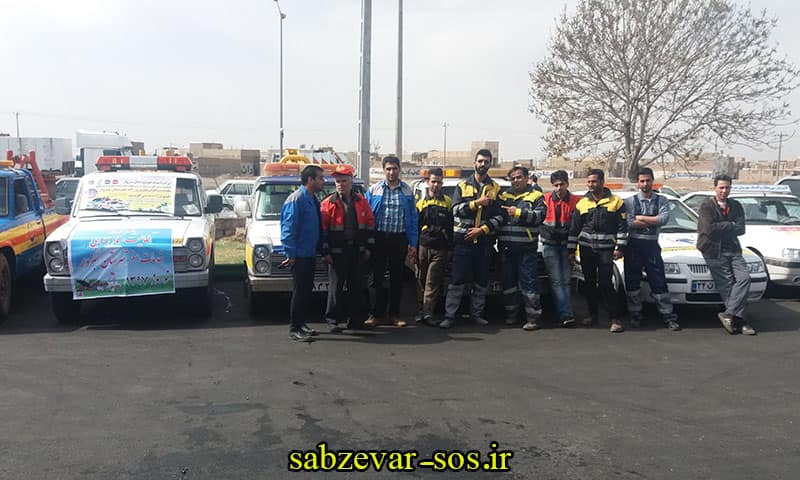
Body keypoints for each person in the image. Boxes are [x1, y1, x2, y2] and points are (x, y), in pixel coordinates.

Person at [440, 149, 504, 329]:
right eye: (480, 161)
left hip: (484, 243)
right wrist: (476, 203)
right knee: (457, 281)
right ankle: (449, 316)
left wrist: (482, 230)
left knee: (481, 281)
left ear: (490, 164)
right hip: (463, 243)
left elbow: (500, 216)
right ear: (474, 163)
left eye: (486, 161)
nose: (483, 164)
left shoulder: (495, 188)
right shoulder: (462, 186)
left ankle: (476, 314)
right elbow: (455, 210)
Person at [567, 169, 628, 333]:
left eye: (594, 181)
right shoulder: (582, 203)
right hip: (586, 249)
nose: (591, 185)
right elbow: (574, 229)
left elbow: (622, 228)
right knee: (589, 284)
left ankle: (615, 318)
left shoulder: (616, 202)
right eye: (589, 182)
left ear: (602, 182)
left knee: (606, 283)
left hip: (606, 251)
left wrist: (620, 248)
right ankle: (592, 315)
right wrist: (571, 251)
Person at [696, 175, 755, 335]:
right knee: (727, 285)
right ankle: (741, 322)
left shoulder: (735, 205)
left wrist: (721, 226)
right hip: (714, 250)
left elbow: (741, 229)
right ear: (715, 188)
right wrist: (730, 224)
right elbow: (709, 230)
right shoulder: (707, 206)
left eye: (727, 187)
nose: (724, 191)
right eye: (721, 187)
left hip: (734, 249)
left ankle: (728, 315)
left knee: (744, 279)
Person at [623, 168, 681, 331]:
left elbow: (663, 219)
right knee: (632, 282)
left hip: (652, 246)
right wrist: (652, 220)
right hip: (633, 245)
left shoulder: (662, 200)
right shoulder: (630, 201)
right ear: (637, 183)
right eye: (642, 181)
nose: (645, 184)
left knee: (658, 281)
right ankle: (635, 314)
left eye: (648, 180)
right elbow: (629, 222)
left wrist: (641, 218)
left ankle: (668, 316)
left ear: (652, 181)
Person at [320, 164, 375, 332]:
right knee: (335, 288)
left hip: (357, 252)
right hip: (337, 254)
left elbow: (370, 224)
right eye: (338, 181)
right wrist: (325, 252)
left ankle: (355, 320)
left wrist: (368, 248)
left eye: (344, 181)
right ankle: (333, 321)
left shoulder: (362, 201)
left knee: (356, 288)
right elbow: (322, 230)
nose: (340, 184)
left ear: (351, 182)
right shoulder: (328, 204)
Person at [365, 155, 419, 327]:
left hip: (399, 239)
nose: (391, 172)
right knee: (376, 277)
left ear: (399, 170)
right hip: (379, 238)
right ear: (383, 170)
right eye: (388, 169)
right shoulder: (374, 190)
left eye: (394, 168)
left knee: (397, 278)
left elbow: (413, 218)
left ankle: (394, 314)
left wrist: (413, 243)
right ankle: (375, 314)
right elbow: (366, 215)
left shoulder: (407, 191)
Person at [280, 164, 325, 342]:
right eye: (320, 178)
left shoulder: (312, 199)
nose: (323, 181)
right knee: (299, 292)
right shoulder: (297, 199)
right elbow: (288, 229)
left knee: (306, 291)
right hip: (299, 256)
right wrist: (291, 254)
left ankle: (302, 324)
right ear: (310, 180)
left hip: (309, 253)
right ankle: (295, 328)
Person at [498, 166, 546, 330]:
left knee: (529, 283)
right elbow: (498, 217)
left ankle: (533, 318)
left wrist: (518, 212)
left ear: (526, 178)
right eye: (513, 178)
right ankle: (511, 315)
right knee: (508, 284)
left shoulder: (536, 196)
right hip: (506, 248)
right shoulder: (504, 196)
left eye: (519, 177)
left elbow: (540, 216)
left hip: (527, 248)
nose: (516, 181)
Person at [540, 170, 579, 327]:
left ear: (567, 184)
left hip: (567, 246)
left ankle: (566, 314)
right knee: (557, 281)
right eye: (555, 185)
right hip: (549, 245)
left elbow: (576, 227)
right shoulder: (545, 199)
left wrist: (571, 249)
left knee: (566, 281)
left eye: (562, 184)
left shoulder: (576, 201)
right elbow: (541, 224)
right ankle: (565, 314)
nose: (559, 188)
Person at [415, 168, 453, 326]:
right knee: (421, 279)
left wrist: (450, 249)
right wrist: (413, 248)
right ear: (427, 182)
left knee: (432, 281)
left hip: (440, 248)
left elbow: (451, 228)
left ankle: (428, 314)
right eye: (433, 182)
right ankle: (420, 311)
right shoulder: (421, 203)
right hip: (423, 246)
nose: (436, 185)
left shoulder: (447, 202)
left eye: (439, 182)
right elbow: (415, 227)